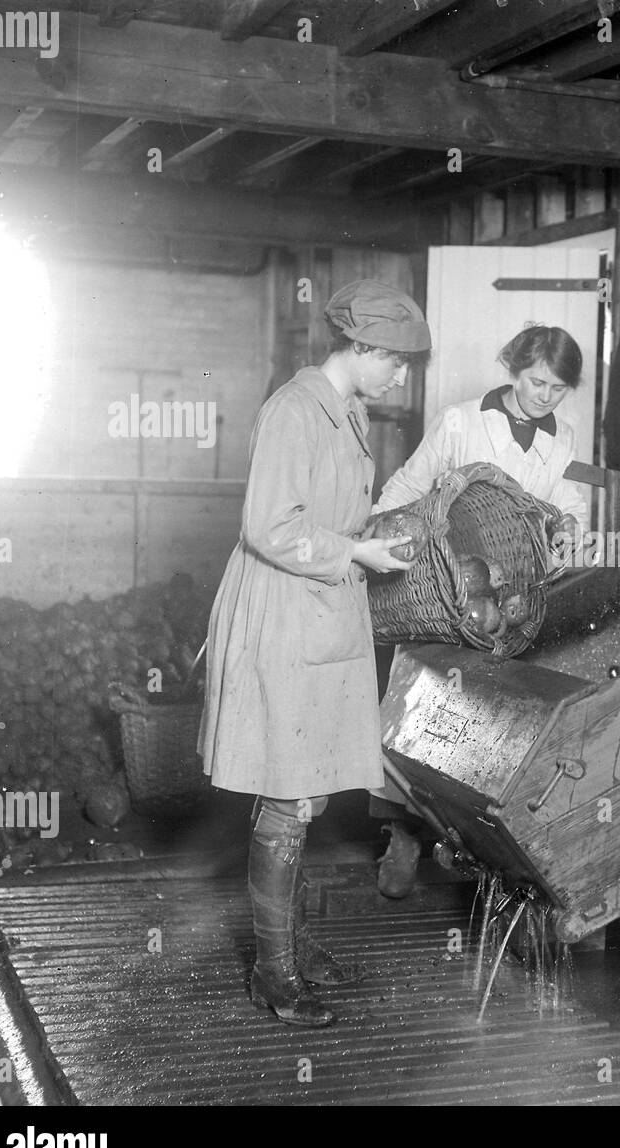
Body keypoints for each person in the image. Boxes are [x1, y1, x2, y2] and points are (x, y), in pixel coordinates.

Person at [198, 280, 430, 1028]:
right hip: (284, 616)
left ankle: (288, 944)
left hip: (320, 612)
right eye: (395, 360)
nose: (403, 376)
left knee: (305, 792)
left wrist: (368, 543)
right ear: (360, 348)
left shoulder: (350, 411)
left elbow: (328, 514)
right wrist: (353, 548)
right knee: (288, 797)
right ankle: (274, 975)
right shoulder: (294, 411)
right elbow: (269, 524)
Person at [368, 324, 588, 897]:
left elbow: (567, 500)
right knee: (418, 715)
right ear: (513, 368)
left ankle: (476, 844)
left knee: (483, 726)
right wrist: (376, 546)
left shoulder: (563, 435)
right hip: (438, 594)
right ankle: (405, 833)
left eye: (558, 388)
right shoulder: (461, 420)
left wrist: (568, 523)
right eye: (537, 381)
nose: (545, 396)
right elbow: (407, 487)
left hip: (504, 605)